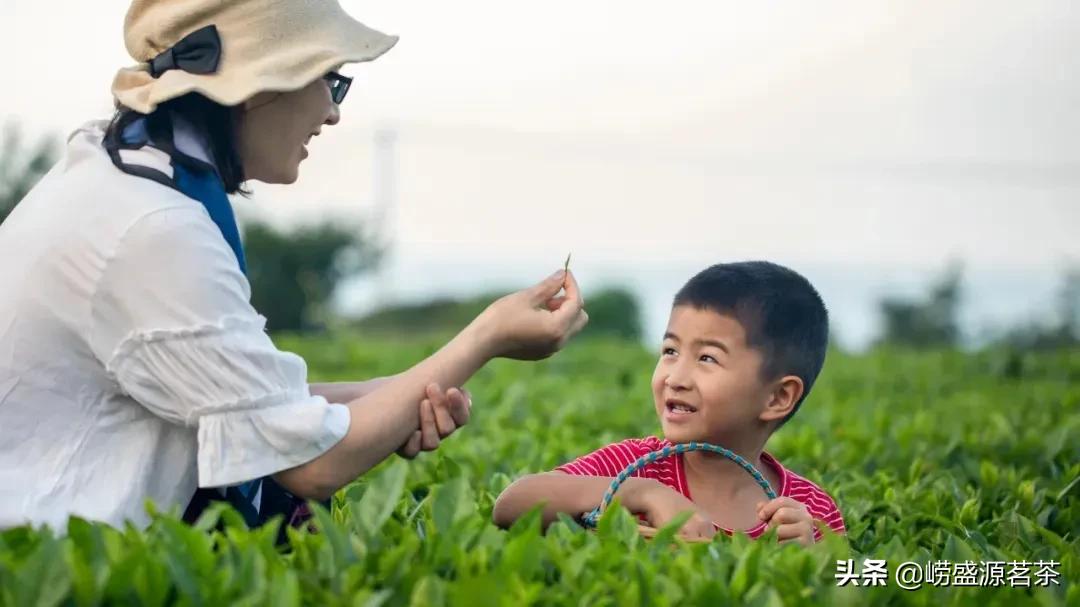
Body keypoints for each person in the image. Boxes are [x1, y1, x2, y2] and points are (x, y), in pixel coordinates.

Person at [0, 0, 588, 535]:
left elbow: (257, 402)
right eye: (328, 80)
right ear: (258, 85)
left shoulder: (118, 174)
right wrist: (486, 337)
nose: (332, 113)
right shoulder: (154, 230)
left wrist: (408, 395)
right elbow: (310, 464)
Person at [493, 261, 843, 544]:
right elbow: (513, 504)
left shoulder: (812, 510)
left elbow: (843, 587)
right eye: (670, 351)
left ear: (778, 397)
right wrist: (642, 492)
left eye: (707, 358)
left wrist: (812, 558)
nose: (675, 377)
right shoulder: (633, 466)